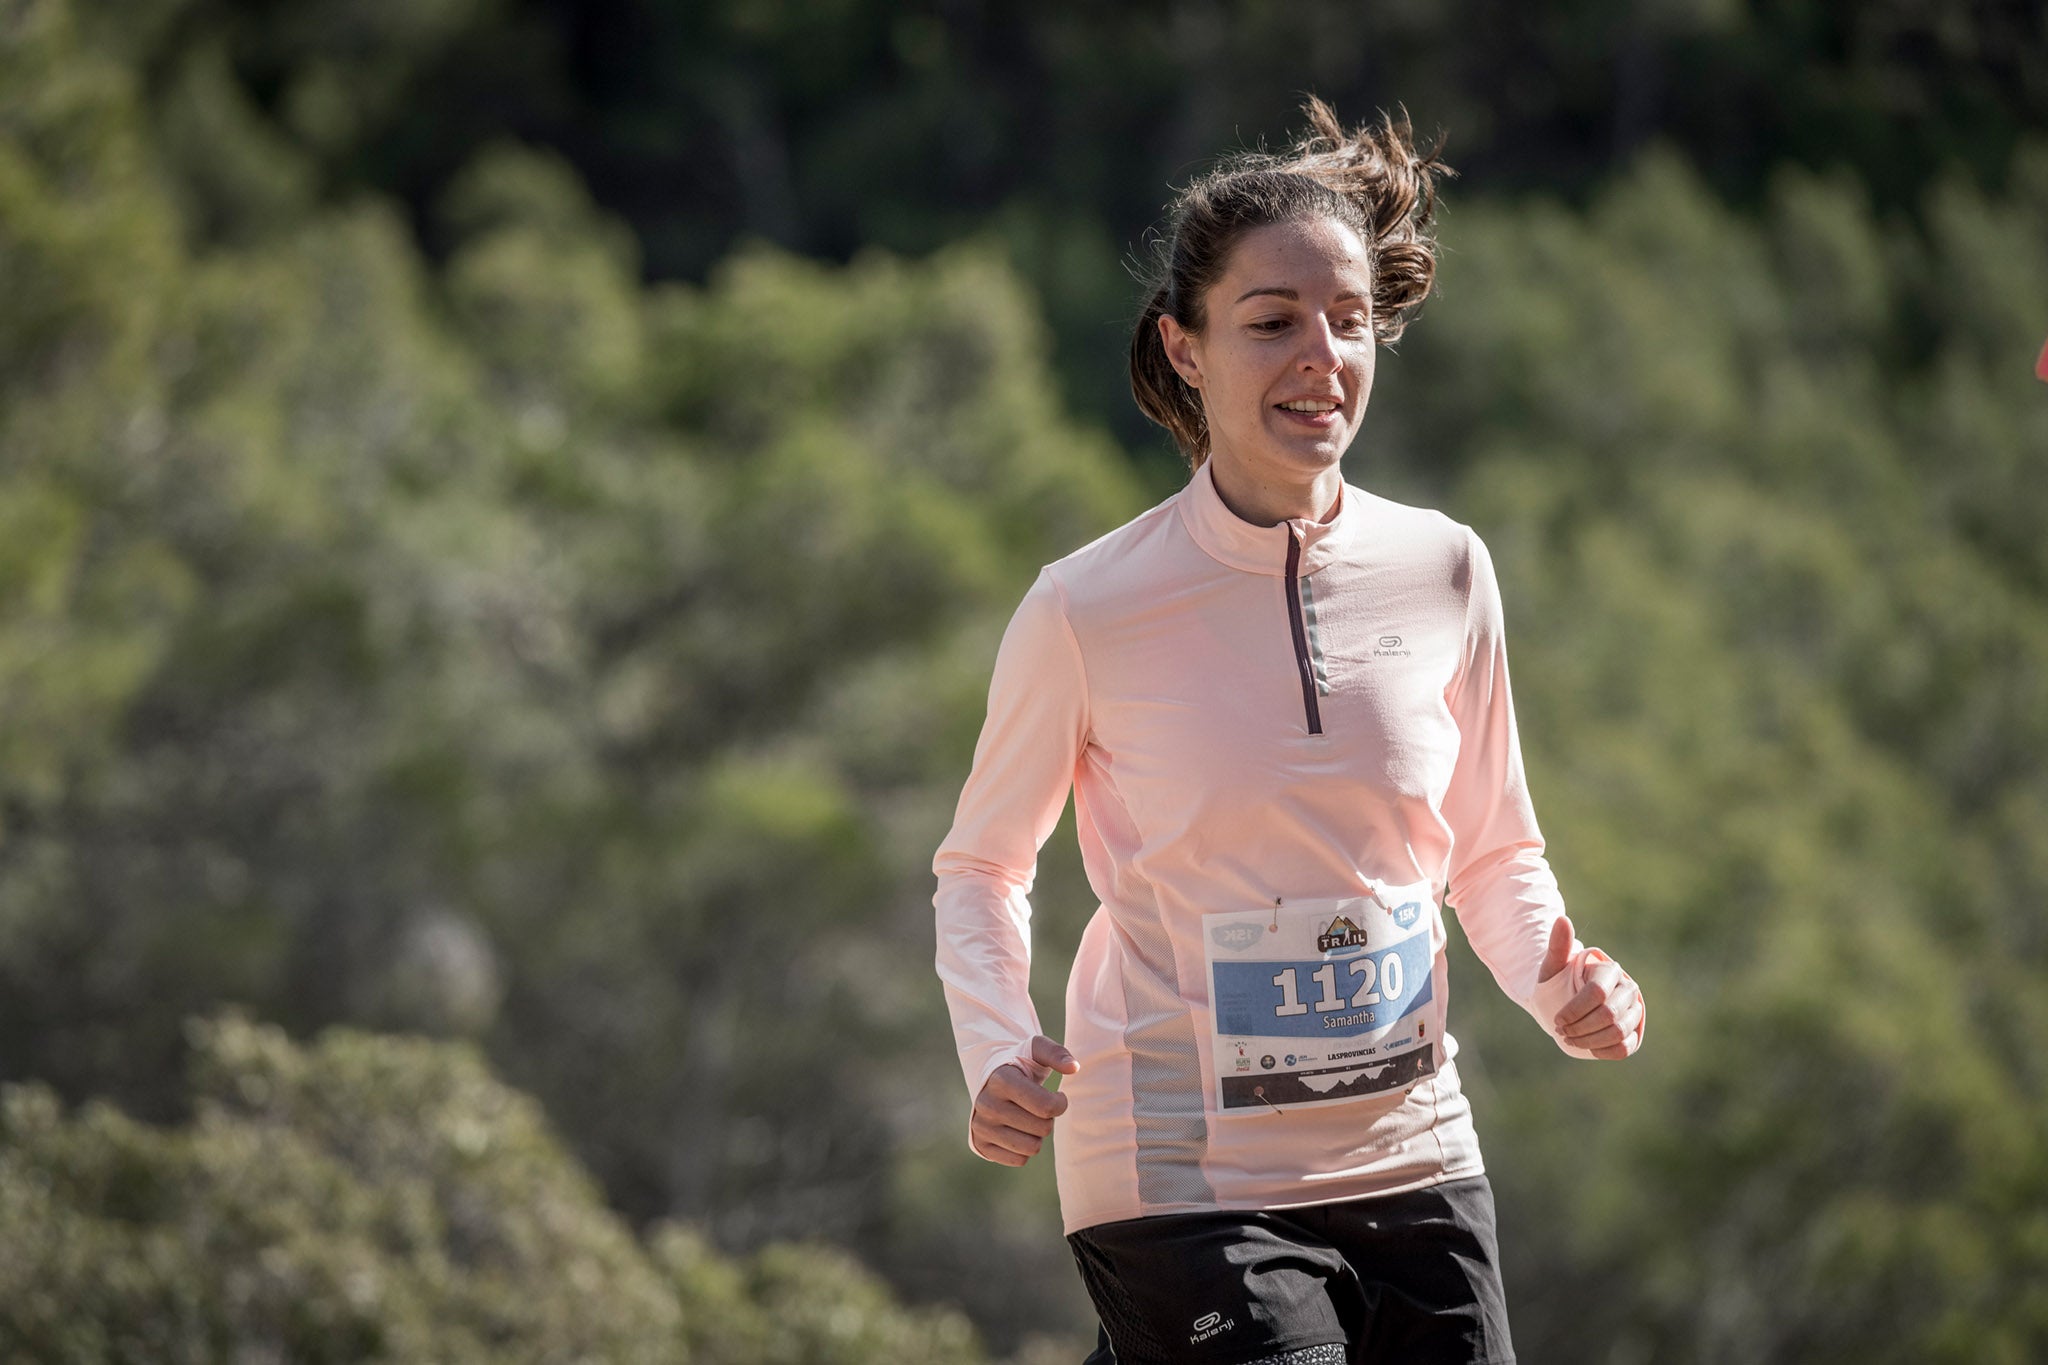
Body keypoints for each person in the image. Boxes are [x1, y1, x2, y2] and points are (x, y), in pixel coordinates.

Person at [932, 98, 1646, 1365]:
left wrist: (1560, 983)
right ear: (1186, 348)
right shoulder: (1088, 606)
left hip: (1412, 1148)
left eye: (1350, 320)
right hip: (1175, 1166)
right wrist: (995, 1045)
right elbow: (981, 864)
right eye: (1270, 323)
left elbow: (1487, 850)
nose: (1322, 355)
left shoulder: (1445, 568)